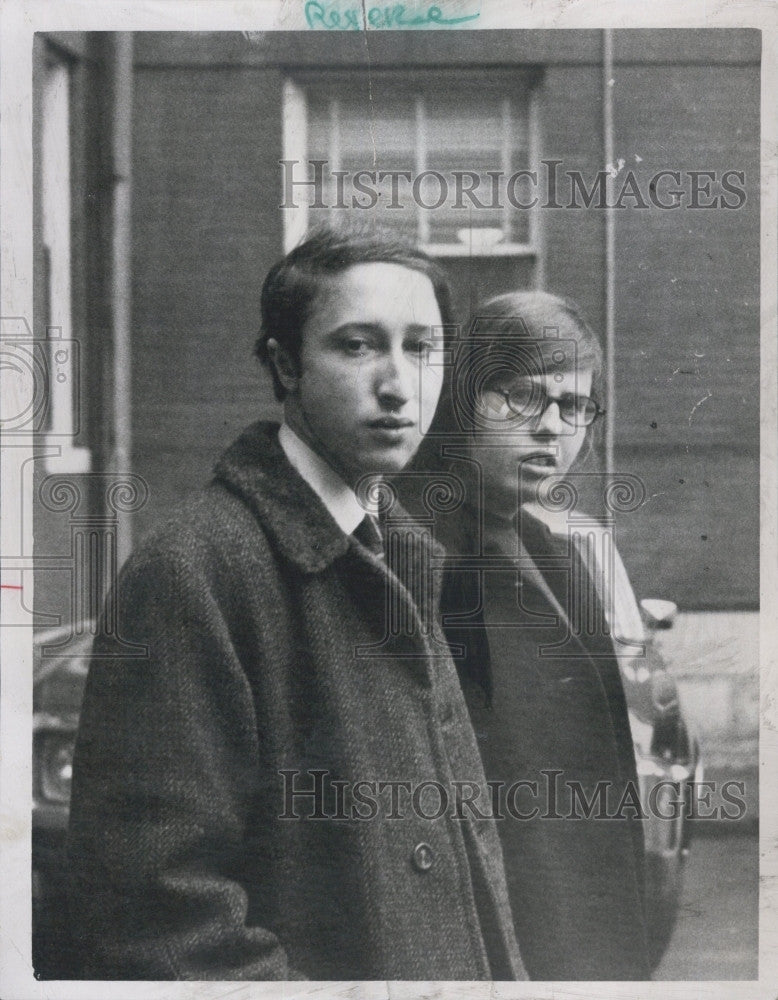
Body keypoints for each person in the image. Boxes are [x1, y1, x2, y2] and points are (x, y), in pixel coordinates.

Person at [66, 228, 527, 981]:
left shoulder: (399, 550)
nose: (400, 384)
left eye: (423, 347)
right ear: (285, 365)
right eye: (356, 345)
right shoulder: (194, 572)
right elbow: (158, 917)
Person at [439, 290, 651, 980]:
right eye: (519, 397)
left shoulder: (556, 551)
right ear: (461, 400)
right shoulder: (427, 554)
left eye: (572, 407)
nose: (549, 429)